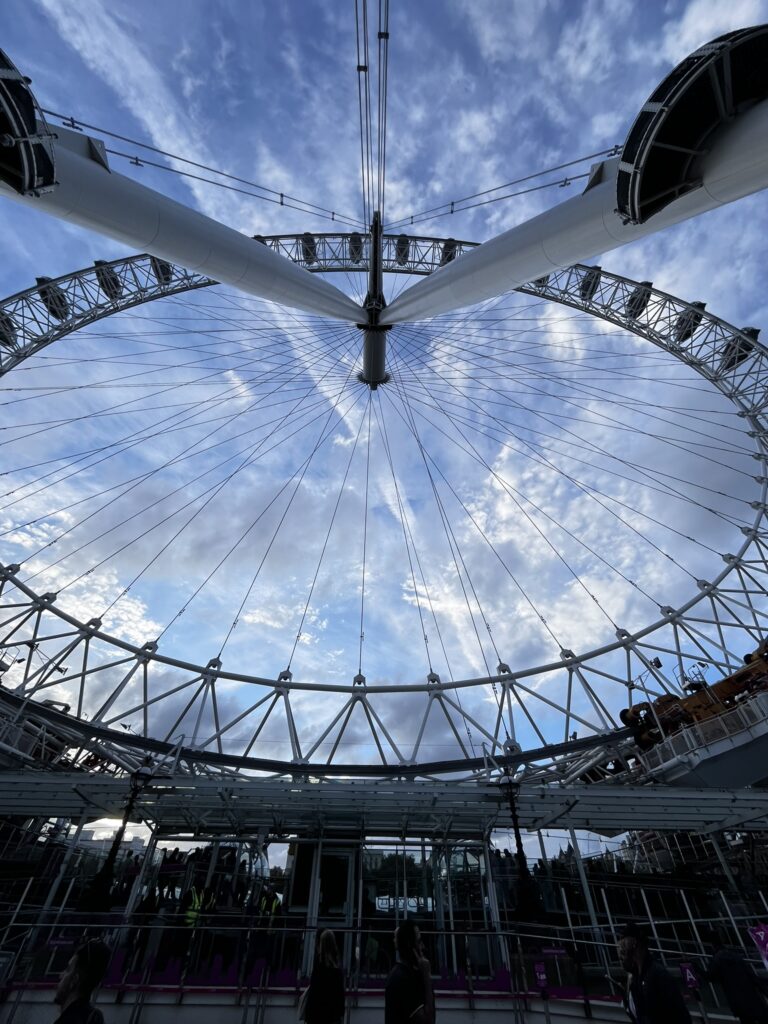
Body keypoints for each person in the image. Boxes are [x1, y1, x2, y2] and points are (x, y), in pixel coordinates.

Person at [618, 925, 690, 1024]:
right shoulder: (636, 977)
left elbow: (679, 1014)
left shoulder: (657, 973)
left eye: (623, 941)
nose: (621, 946)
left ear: (634, 943)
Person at [702, 934, 768, 1024]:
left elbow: (710, 977)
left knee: (746, 1019)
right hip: (751, 995)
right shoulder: (735, 956)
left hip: (736, 998)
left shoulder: (717, 959)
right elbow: (752, 976)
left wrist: (696, 968)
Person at [385, 920, 435, 1024]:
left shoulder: (407, 974)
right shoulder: (403, 979)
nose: (422, 946)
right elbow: (428, 1020)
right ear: (410, 944)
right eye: (419, 941)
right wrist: (427, 976)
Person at [53, 938, 111, 1023]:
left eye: (67, 970)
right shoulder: (93, 1017)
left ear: (74, 980)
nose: (60, 975)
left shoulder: (68, 1021)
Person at [303, 929, 345, 1024]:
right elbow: (340, 995)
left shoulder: (318, 966)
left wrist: (308, 1015)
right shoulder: (337, 968)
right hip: (332, 1016)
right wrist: (340, 1015)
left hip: (317, 1015)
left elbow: (313, 994)